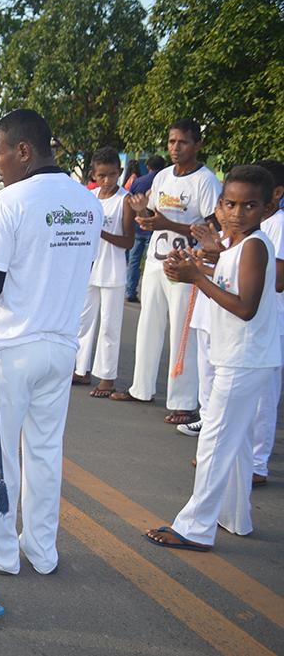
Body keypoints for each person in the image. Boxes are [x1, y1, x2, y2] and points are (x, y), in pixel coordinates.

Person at [0, 109, 102, 575]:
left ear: (24, 150)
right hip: (62, 346)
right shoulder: (88, 203)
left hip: (13, 348)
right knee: (45, 453)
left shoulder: (10, 202)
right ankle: (42, 551)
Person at [145, 165, 280, 551]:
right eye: (230, 203)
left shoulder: (255, 245)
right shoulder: (235, 246)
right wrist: (191, 268)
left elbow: (246, 307)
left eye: (249, 205)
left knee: (216, 442)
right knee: (234, 445)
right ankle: (235, 518)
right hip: (237, 356)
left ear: (267, 207)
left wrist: (196, 278)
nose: (238, 213)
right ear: (219, 206)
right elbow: (223, 280)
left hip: (244, 358)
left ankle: (195, 527)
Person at [110, 120, 221, 426]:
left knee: (182, 333)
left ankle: (183, 402)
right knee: (148, 325)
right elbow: (153, 219)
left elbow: (213, 228)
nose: (175, 148)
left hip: (187, 266)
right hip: (157, 261)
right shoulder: (161, 177)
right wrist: (143, 213)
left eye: (182, 142)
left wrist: (166, 224)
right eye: (171, 142)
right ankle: (141, 388)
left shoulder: (206, 181)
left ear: (197, 145)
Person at [72, 147, 134, 398]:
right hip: (89, 268)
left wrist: (100, 232)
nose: (107, 180)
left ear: (119, 173)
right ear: (93, 175)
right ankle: (81, 368)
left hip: (113, 270)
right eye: (102, 175)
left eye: (112, 174)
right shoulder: (90, 196)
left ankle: (107, 377)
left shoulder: (125, 200)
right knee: (84, 321)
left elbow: (128, 241)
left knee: (110, 325)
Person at [251, 158, 284, 485]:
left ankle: (258, 463)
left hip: (274, 321)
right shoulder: (256, 228)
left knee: (264, 396)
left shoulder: (279, 225)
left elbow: (278, 280)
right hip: (255, 324)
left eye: (252, 202)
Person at [125, 155, 166, 302]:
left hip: (137, 226)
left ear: (148, 167)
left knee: (134, 261)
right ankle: (150, 296)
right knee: (151, 264)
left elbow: (129, 199)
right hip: (155, 229)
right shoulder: (163, 182)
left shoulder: (138, 181)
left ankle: (130, 291)